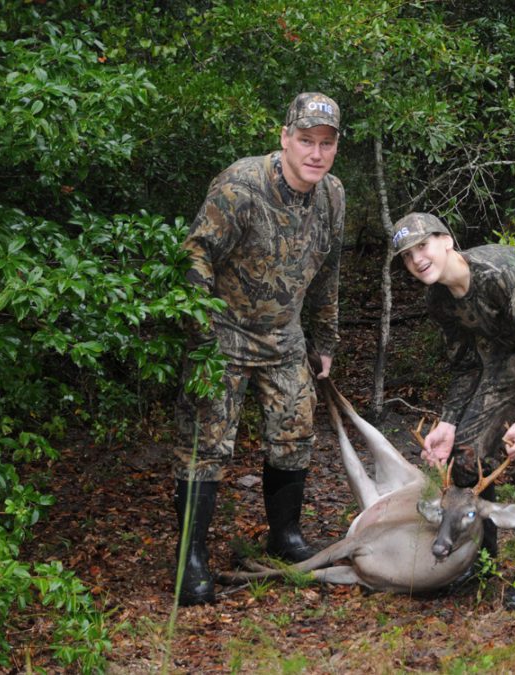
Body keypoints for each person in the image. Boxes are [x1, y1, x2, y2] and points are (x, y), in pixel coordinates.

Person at [173, 92, 345, 606]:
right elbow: (196, 254)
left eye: (326, 144)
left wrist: (326, 339)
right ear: (285, 138)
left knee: (294, 433)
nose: (315, 153)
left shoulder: (332, 195)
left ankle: (284, 536)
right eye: (306, 141)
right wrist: (200, 329)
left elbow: (328, 272)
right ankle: (192, 558)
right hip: (222, 336)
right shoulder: (242, 186)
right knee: (206, 446)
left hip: (284, 337)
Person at [391, 212, 515, 610]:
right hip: (507, 353)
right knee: (466, 458)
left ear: (446, 241)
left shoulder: (495, 274)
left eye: (422, 246)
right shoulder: (438, 299)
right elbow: (465, 366)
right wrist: (447, 422)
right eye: (407, 257)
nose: (417, 260)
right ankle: (482, 559)